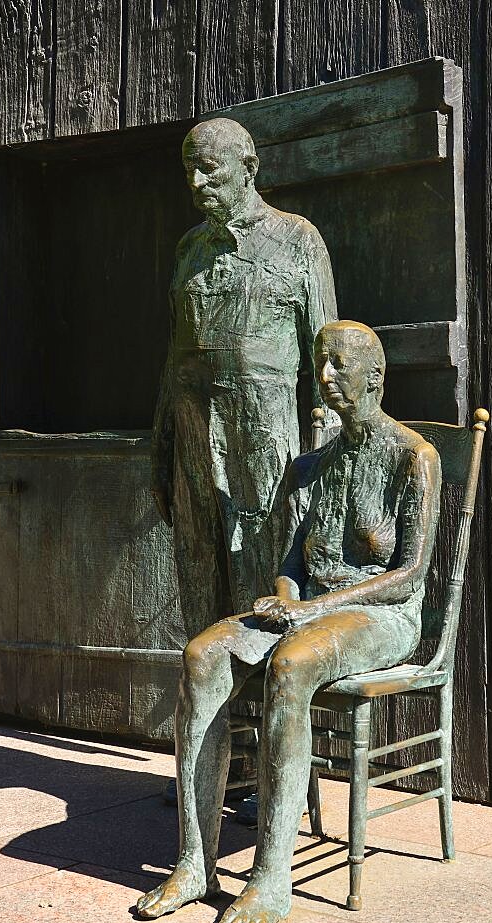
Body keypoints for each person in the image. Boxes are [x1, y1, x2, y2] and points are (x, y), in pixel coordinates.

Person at [138, 321, 442, 923]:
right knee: (202, 655)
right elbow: (292, 566)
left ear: (374, 378)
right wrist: (284, 600)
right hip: (311, 614)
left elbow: (410, 576)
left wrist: (307, 615)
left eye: (338, 365)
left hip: (385, 619)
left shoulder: (414, 457)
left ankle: (272, 876)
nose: (325, 377)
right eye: (319, 364)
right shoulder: (310, 468)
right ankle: (196, 862)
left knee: (293, 662)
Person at [151, 117, 337, 636]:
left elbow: (329, 360)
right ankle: (214, 715)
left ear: (248, 168)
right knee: (198, 571)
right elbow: (174, 359)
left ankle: (273, 709)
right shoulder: (189, 250)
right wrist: (161, 452)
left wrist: (332, 463)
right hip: (192, 440)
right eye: (189, 170)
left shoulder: (298, 240)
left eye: (209, 170)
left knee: (269, 581)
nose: (196, 183)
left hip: (264, 444)